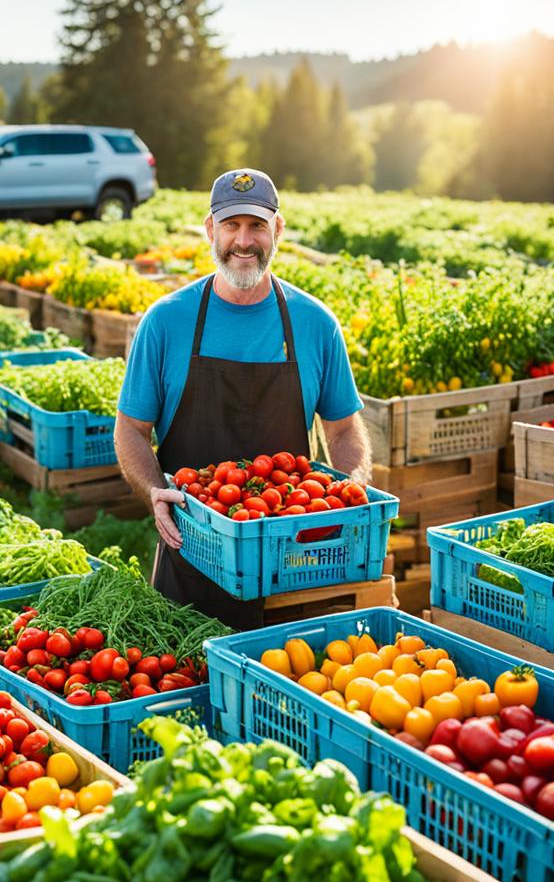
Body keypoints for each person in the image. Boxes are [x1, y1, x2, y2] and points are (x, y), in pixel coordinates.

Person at [114, 167, 371, 628]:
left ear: (278, 229)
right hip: (192, 555)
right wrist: (155, 490)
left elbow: (345, 427)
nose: (244, 240)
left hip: (296, 558)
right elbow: (131, 430)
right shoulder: (165, 322)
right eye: (231, 225)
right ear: (210, 229)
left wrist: (346, 492)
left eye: (257, 225)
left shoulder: (315, 324)